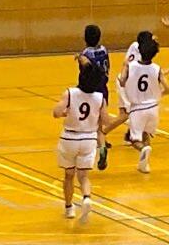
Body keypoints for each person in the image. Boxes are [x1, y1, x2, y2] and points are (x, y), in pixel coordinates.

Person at [53, 63, 109, 223]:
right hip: (89, 139)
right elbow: (105, 120)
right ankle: (86, 197)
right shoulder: (100, 98)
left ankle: (69, 208)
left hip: (70, 138)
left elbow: (56, 112)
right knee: (84, 176)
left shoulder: (70, 93)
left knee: (69, 175)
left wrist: (65, 113)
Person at [119, 38, 169, 173]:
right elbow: (168, 89)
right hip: (153, 108)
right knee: (146, 134)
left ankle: (143, 149)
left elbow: (122, 82)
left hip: (137, 108)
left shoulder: (131, 66)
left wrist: (124, 67)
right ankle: (144, 165)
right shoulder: (157, 69)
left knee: (134, 140)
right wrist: (158, 94)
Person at [75, 25, 110, 170]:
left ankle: (82, 152)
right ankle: (102, 146)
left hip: (90, 91)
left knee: (84, 124)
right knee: (99, 126)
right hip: (103, 90)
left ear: (85, 38)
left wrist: (80, 58)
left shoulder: (85, 54)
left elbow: (87, 71)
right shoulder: (104, 50)